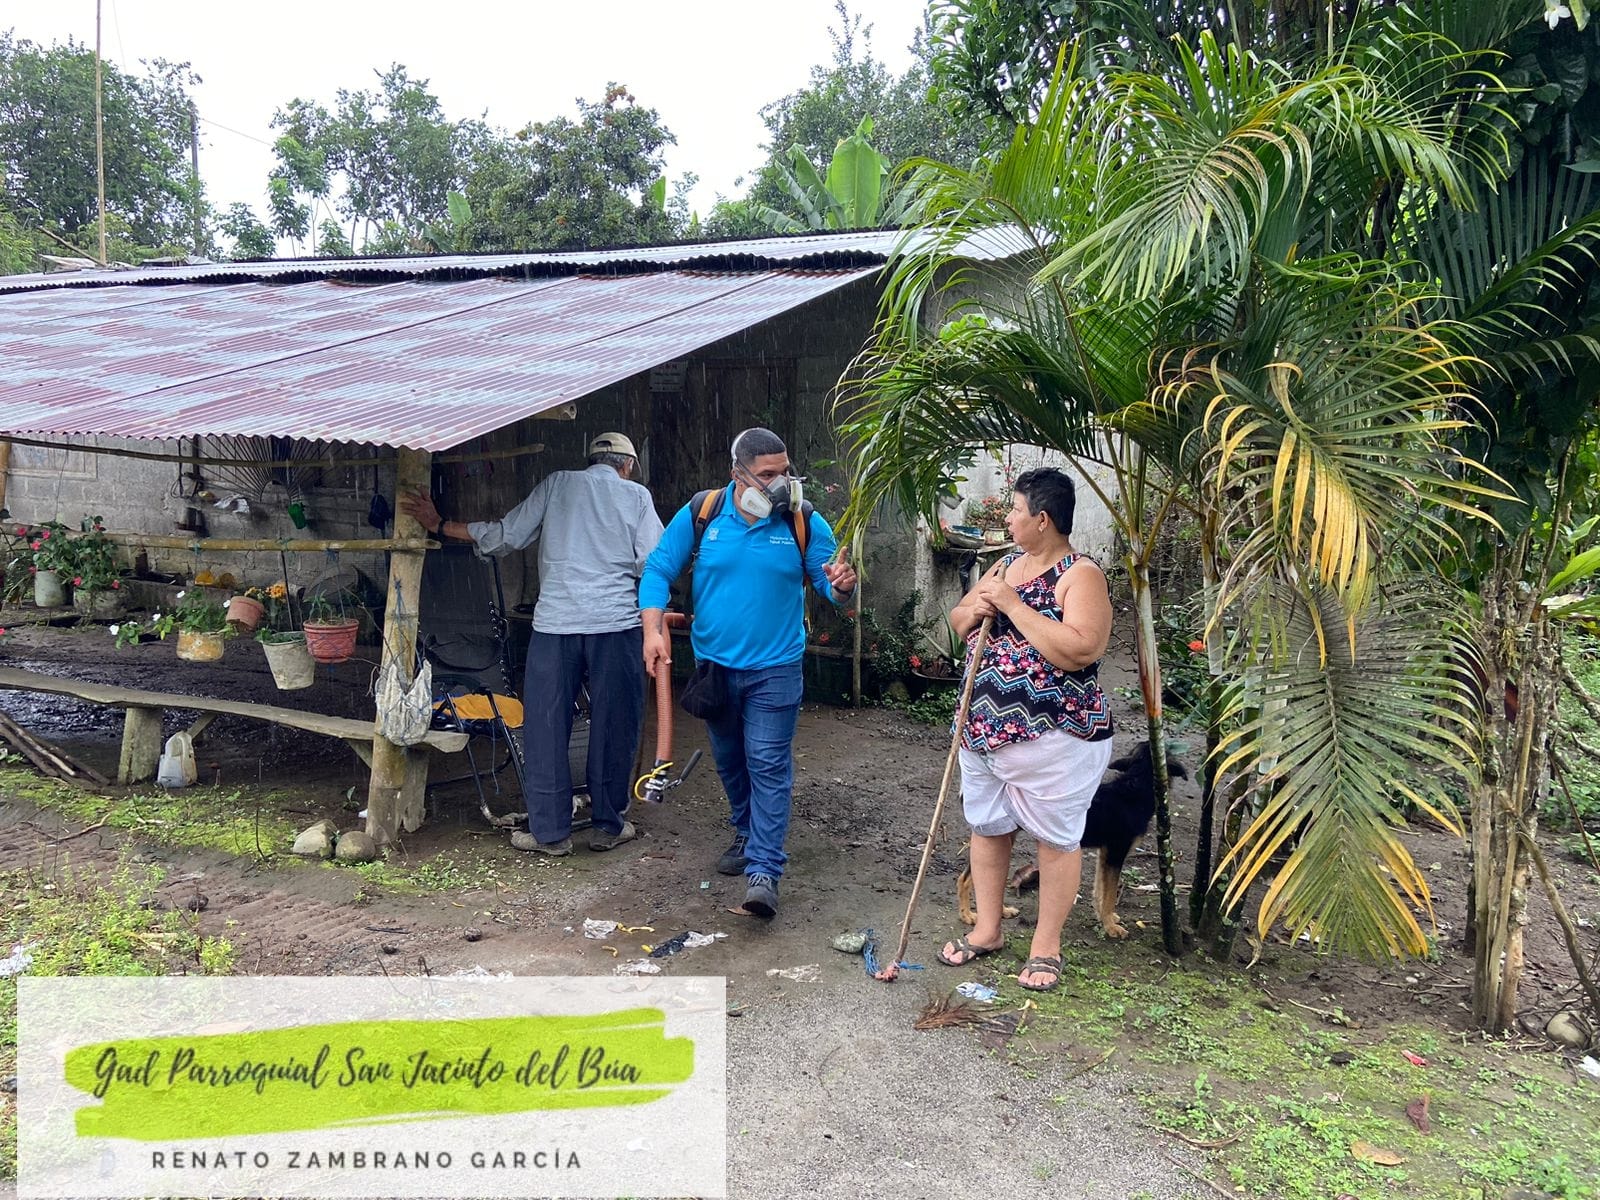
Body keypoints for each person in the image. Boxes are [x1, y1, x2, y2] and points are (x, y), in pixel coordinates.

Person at [400, 433, 663, 856]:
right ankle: (608, 826)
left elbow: (508, 534)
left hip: (556, 624)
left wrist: (440, 525)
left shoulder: (558, 483)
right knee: (615, 722)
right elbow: (653, 561)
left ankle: (550, 833)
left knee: (545, 725)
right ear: (627, 465)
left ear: (590, 459)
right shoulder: (637, 497)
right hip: (615, 625)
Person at [639, 427, 858, 918]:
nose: (781, 483)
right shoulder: (704, 512)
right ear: (737, 474)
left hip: (775, 669)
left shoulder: (802, 521)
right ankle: (746, 828)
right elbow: (657, 570)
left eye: (786, 472)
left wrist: (843, 586)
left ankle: (764, 871)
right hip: (714, 668)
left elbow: (832, 587)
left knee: (767, 762)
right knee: (730, 760)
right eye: (768, 474)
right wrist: (653, 629)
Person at [936, 467, 1113, 992]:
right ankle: (988, 929)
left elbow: (1081, 648)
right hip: (982, 731)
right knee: (988, 828)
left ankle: (1045, 947)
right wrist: (977, 606)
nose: (1008, 518)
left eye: (1015, 510)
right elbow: (958, 622)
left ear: (1042, 519)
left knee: (1055, 840)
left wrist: (1013, 605)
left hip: (1057, 737)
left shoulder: (1080, 575)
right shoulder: (1005, 565)